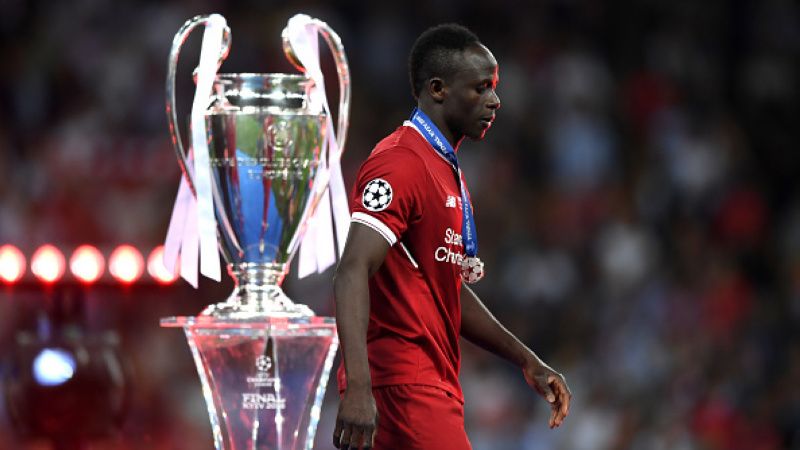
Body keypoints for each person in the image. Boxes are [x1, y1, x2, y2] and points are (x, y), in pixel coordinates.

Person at [332, 23, 571, 450]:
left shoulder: (444, 169)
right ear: (438, 89)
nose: (495, 100)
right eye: (481, 88)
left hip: (429, 383)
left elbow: (447, 290)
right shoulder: (402, 162)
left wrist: (526, 360)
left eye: (494, 87)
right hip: (402, 385)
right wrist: (359, 388)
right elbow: (352, 269)